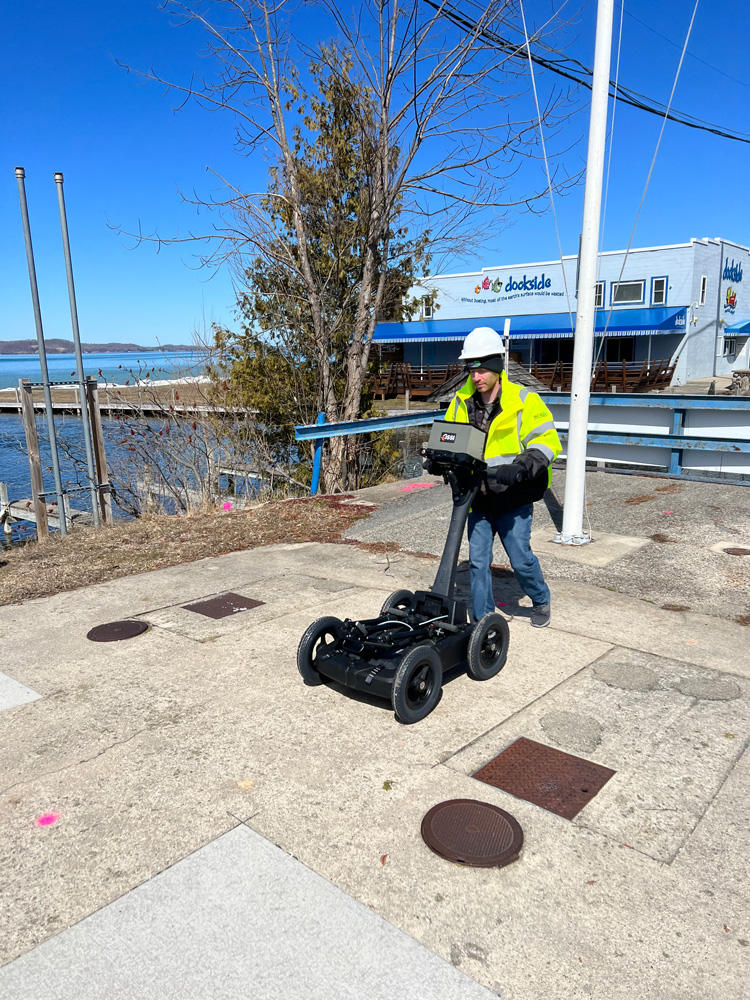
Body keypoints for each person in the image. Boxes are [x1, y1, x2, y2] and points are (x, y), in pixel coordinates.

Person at [437, 326, 561, 627]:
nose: (475, 377)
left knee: (520, 559)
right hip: (476, 497)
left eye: (480, 370)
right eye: (470, 369)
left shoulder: (524, 401)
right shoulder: (460, 402)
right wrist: (439, 460)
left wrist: (521, 467)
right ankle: (485, 619)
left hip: (512, 497)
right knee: (479, 562)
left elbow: (548, 442)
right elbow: (448, 442)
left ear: (495, 365)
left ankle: (541, 598)